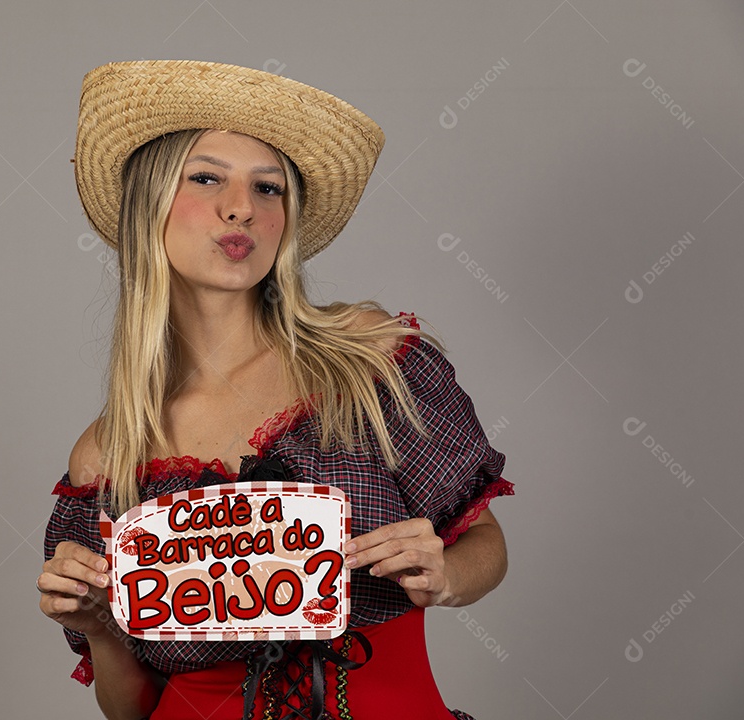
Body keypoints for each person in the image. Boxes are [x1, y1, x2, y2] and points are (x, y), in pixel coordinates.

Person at [39, 59, 514, 720]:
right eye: (206, 177)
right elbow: (130, 710)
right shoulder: (110, 451)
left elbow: (483, 542)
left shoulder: (367, 358)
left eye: (269, 189)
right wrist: (98, 626)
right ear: (148, 206)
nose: (243, 206)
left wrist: (447, 575)